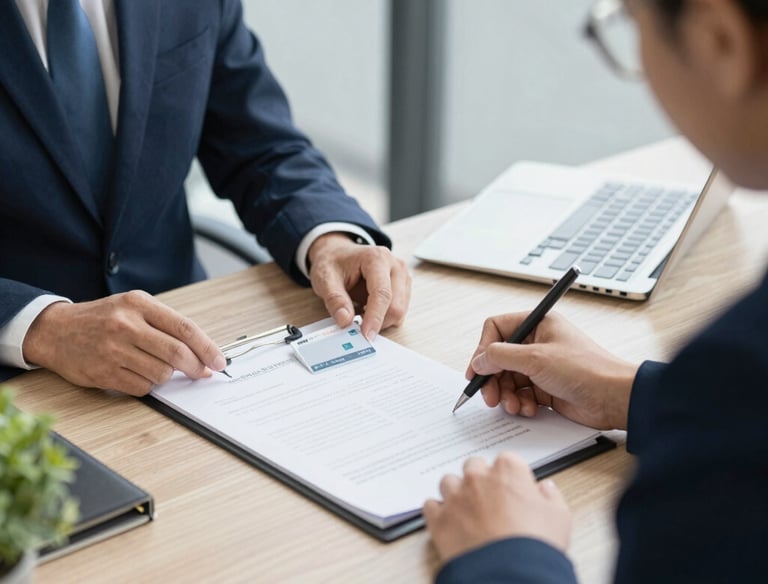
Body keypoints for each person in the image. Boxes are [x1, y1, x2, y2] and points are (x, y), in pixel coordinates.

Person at [423, 0, 768, 582]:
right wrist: (626, 393)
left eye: (631, 22)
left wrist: (508, 555)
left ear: (720, 41)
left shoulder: (735, 379)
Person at [0, 0, 410, 394]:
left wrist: (329, 241)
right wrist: (43, 328)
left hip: (190, 358)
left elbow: (260, 143)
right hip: (25, 386)